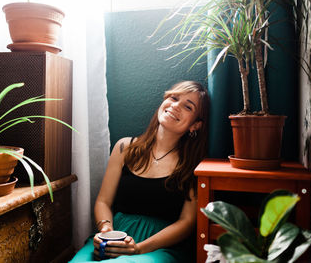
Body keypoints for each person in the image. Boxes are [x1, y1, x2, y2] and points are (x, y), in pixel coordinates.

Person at [69, 81, 209, 262]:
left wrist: (138, 249)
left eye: (187, 107)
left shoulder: (193, 163)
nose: (175, 106)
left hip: (161, 246)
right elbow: (103, 201)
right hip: (116, 236)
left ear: (195, 125)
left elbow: (187, 222)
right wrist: (106, 231)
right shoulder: (124, 148)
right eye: (174, 98)